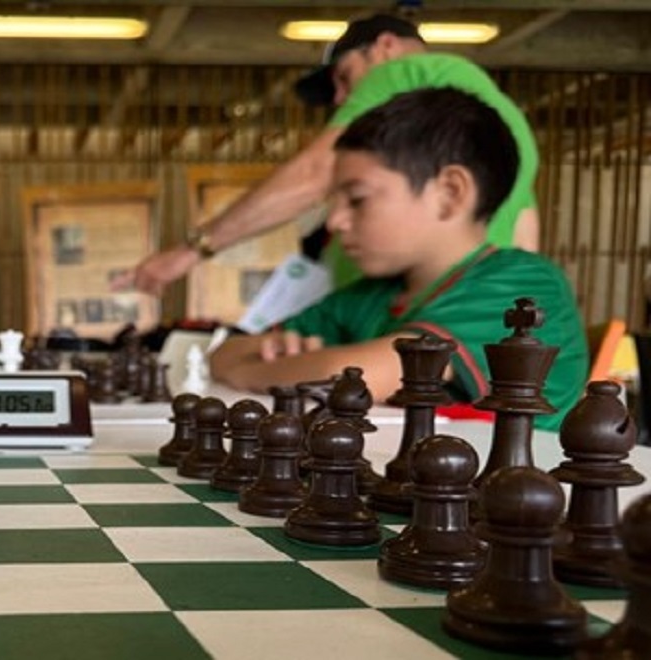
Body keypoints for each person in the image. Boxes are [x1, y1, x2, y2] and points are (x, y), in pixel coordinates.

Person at [208, 87, 585, 431]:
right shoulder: (368, 296)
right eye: (334, 203)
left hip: (517, 481)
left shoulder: (522, 285)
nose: (335, 222)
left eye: (357, 199)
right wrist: (268, 363)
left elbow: (351, 377)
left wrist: (251, 373)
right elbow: (224, 354)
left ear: (449, 194)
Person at [131, 13, 540, 296]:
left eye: (344, 77)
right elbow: (525, 235)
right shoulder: (507, 124)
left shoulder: (405, 72)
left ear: (385, 46)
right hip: (469, 312)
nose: (341, 98)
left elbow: (316, 172)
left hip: (402, 320)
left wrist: (190, 250)